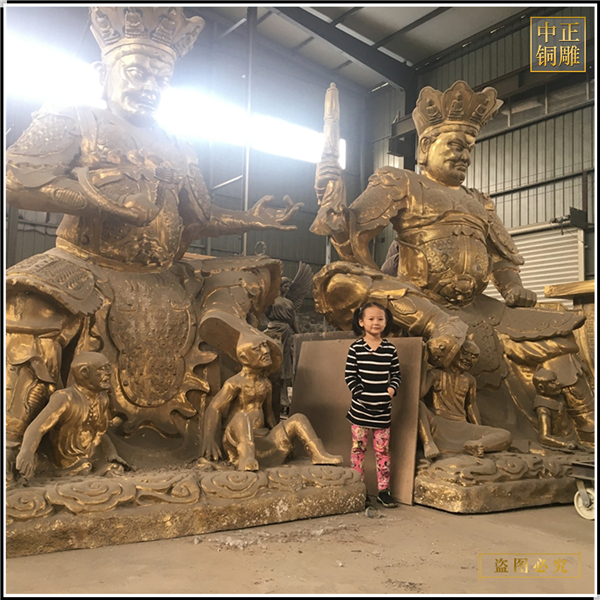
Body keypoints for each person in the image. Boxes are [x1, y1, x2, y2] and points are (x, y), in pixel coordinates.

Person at [5, 7, 303, 481]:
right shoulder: (75, 119)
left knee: (249, 275)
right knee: (31, 296)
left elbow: (199, 217)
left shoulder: (177, 145)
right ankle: (14, 437)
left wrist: (251, 217)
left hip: (164, 271)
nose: (149, 86)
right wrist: (106, 202)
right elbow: (17, 177)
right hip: (87, 260)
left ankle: (233, 417)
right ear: (103, 73)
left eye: (161, 79)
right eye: (138, 72)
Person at [312, 80, 594, 443]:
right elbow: (352, 234)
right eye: (456, 146)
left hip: (478, 309)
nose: (464, 156)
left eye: (469, 149)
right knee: (341, 278)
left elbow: (502, 258)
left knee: (559, 336)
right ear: (426, 147)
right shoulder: (400, 182)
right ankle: (438, 330)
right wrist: (334, 205)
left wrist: (512, 287)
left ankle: (585, 427)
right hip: (418, 301)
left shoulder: (480, 202)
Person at [201, 333, 343, 470]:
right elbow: (214, 408)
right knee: (242, 417)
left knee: (298, 419)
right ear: (244, 358)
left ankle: (318, 454)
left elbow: (269, 415)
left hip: (264, 439)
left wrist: (283, 434)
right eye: (257, 349)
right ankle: (246, 458)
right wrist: (209, 437)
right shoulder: (234, 383)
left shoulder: (266, 384)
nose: (265, 351)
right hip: (237, 441)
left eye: (265, 346)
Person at [15, 352, 129, 480]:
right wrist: (27, 451)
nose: (109, 373)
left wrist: (111, 453)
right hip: (65, 461)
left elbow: (99, 434)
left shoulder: (102, 398)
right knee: (85, 468)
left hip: (90, 455)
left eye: (109, 367)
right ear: (84, 372)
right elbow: (38, 427)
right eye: (102, 369)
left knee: (115, 468)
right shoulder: (65, 398)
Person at [344, 302, 401, 508]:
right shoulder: (356, 348)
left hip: (383, 411)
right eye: (371, 318)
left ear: (386, 322)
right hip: (360, 411)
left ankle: (384, 491)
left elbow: (396, 375)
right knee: (358, 450)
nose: (376, 322)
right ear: (361, 322)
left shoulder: (390, 349)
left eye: (380, 319)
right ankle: (358, 489)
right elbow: (350, 376)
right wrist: (360, 393)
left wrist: (391, 390)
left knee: (382, 452)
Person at [418, 338, 511, 458]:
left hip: (463, 426)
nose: (468, 359)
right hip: (439, 423)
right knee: (418, 405)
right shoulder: (436, 374)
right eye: (464, 353)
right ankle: (428, 442)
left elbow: (471, 406)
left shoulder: (469, 380)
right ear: (453, 353)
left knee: (505, 435)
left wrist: (478, 428)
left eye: (474, 356)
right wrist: (423, 361)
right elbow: (420, 393)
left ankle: (478, 445)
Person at [532, 368, 578, 451]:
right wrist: (564, 444)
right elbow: (544, 437)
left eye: (556, 379)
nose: (558, 383)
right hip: (565, 440)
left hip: (573, 434)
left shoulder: (557, 396)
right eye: (552, 382)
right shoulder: (543, 409)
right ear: (541, 388)